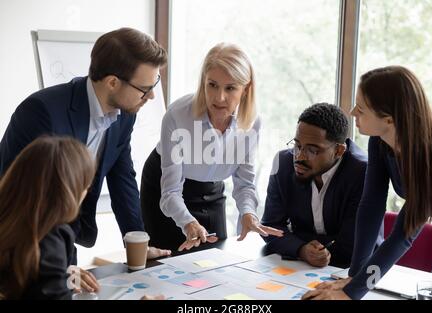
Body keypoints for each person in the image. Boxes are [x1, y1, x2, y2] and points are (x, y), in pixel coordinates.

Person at [0, 28, 171, 260]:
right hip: (22, 241)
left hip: (63, 236)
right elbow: (28, 199)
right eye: (145, 89)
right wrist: (61, 267)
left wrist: (138, 243)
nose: (151, 96)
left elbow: (122, 178)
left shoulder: (125, 115)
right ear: (112, 82)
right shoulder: (42, 112)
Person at [302, 66, 432, 300]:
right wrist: (355, 276)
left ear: (389, 119)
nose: (352, 112)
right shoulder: (380, 142)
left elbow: (404, 234)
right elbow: (371, 207)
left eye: (360, 109)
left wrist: (354, 293)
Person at [140, 43, 283, 251]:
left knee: (214, 260)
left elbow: (244, 182)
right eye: (212, 85)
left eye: (230, 88)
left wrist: (248, 213)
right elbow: (170, 191)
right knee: (168, 263)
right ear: (203, 82)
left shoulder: (252, 122)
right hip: (165, 188)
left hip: (212, 189)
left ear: (246, 89)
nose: (219, 97)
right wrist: (188, 222)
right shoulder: (177, 116)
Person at [262, 103, 379, 268]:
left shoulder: (364, 173)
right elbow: (270, 226)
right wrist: (302, 249)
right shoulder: (283, 163)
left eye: (312, 150)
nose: (299, 156)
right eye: (297, 145)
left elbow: (352, 246)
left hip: (357, 271)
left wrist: (296, 237)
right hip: (302, 267)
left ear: (339, 151)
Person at [0, 136, 98, 299]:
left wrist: (62, 277)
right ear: (68, 191)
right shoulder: (49, 239)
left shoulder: (12, 226)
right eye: (85, 186)